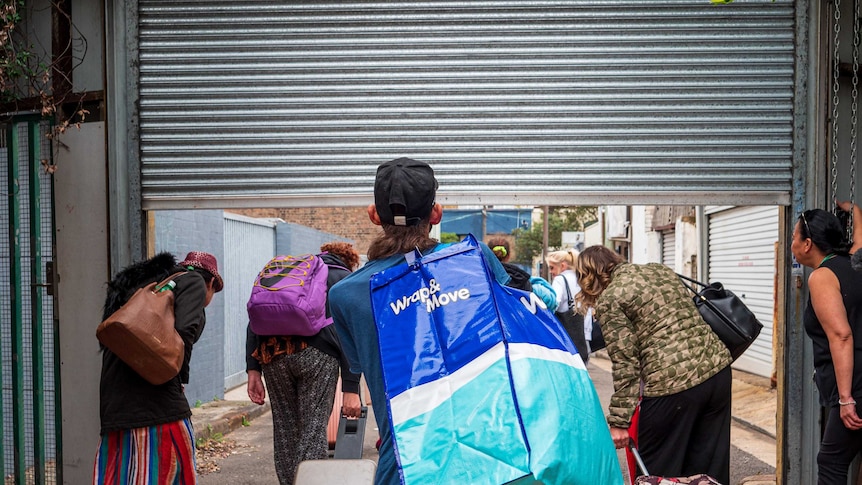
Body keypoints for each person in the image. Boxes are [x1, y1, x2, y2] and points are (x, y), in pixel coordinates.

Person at [328, 157, 512, 485]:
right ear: (436, 213)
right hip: (490, 460)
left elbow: (360, 363)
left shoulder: (345, 295)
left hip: (404, 467)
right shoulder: (475, 260)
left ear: (373, 215)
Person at [575, 245, 732, 484]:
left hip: (672, 386)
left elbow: (625, 362)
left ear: (588, 276)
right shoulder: (660, 270)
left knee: (657, 472)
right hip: (717, 373)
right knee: (708, 471)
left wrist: (619, 422)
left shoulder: (610, 299)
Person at [93, 250, 224, 484]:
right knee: (167, 471)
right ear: (211, 283)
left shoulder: (144, 286)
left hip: (114, 405)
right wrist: (181, 380)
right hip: (158, 408)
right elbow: (185, 333)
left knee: (123, 476)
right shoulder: (193, 280)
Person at [245, 242, 362, 485]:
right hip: (317, 354)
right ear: (348, 262)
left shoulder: (290, 274)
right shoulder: (343, 278)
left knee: (285, 427)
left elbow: (255, 319)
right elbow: (348, 332)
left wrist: (253, 369)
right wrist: (351, 388)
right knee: (313, 428)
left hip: (273, 354)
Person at [792, 202, 862, 484]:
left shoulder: (822, 277)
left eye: (795, 237)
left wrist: (846, 398)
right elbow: (859, 240)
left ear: (807, 244)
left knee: (831, 462)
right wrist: (855, 210)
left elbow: (841, 336)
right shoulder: (855, 263)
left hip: (855, 384)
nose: (792, 243)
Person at [546, 248, 590, 362]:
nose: (551, 272)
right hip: (584, 334)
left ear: (563, 265)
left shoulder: (560, 280)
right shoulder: (581, 278)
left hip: (567, 336)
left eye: (552, 267)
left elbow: (554, 302)